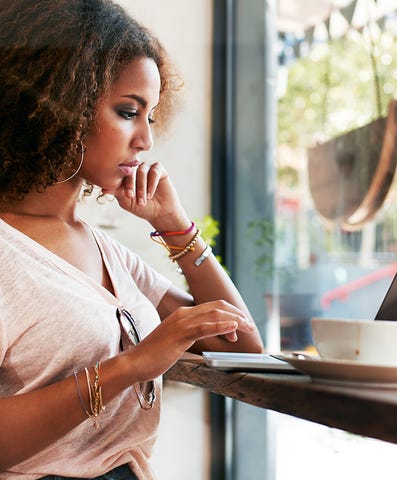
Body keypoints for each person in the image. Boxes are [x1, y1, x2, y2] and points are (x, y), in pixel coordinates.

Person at [0, 1, 263, 479]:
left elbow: (241, 345)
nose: (145, 139)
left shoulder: (107, 252)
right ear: (56, 105)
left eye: (151, 117)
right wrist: (132, 366)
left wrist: (176, 227)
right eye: (128, 111)